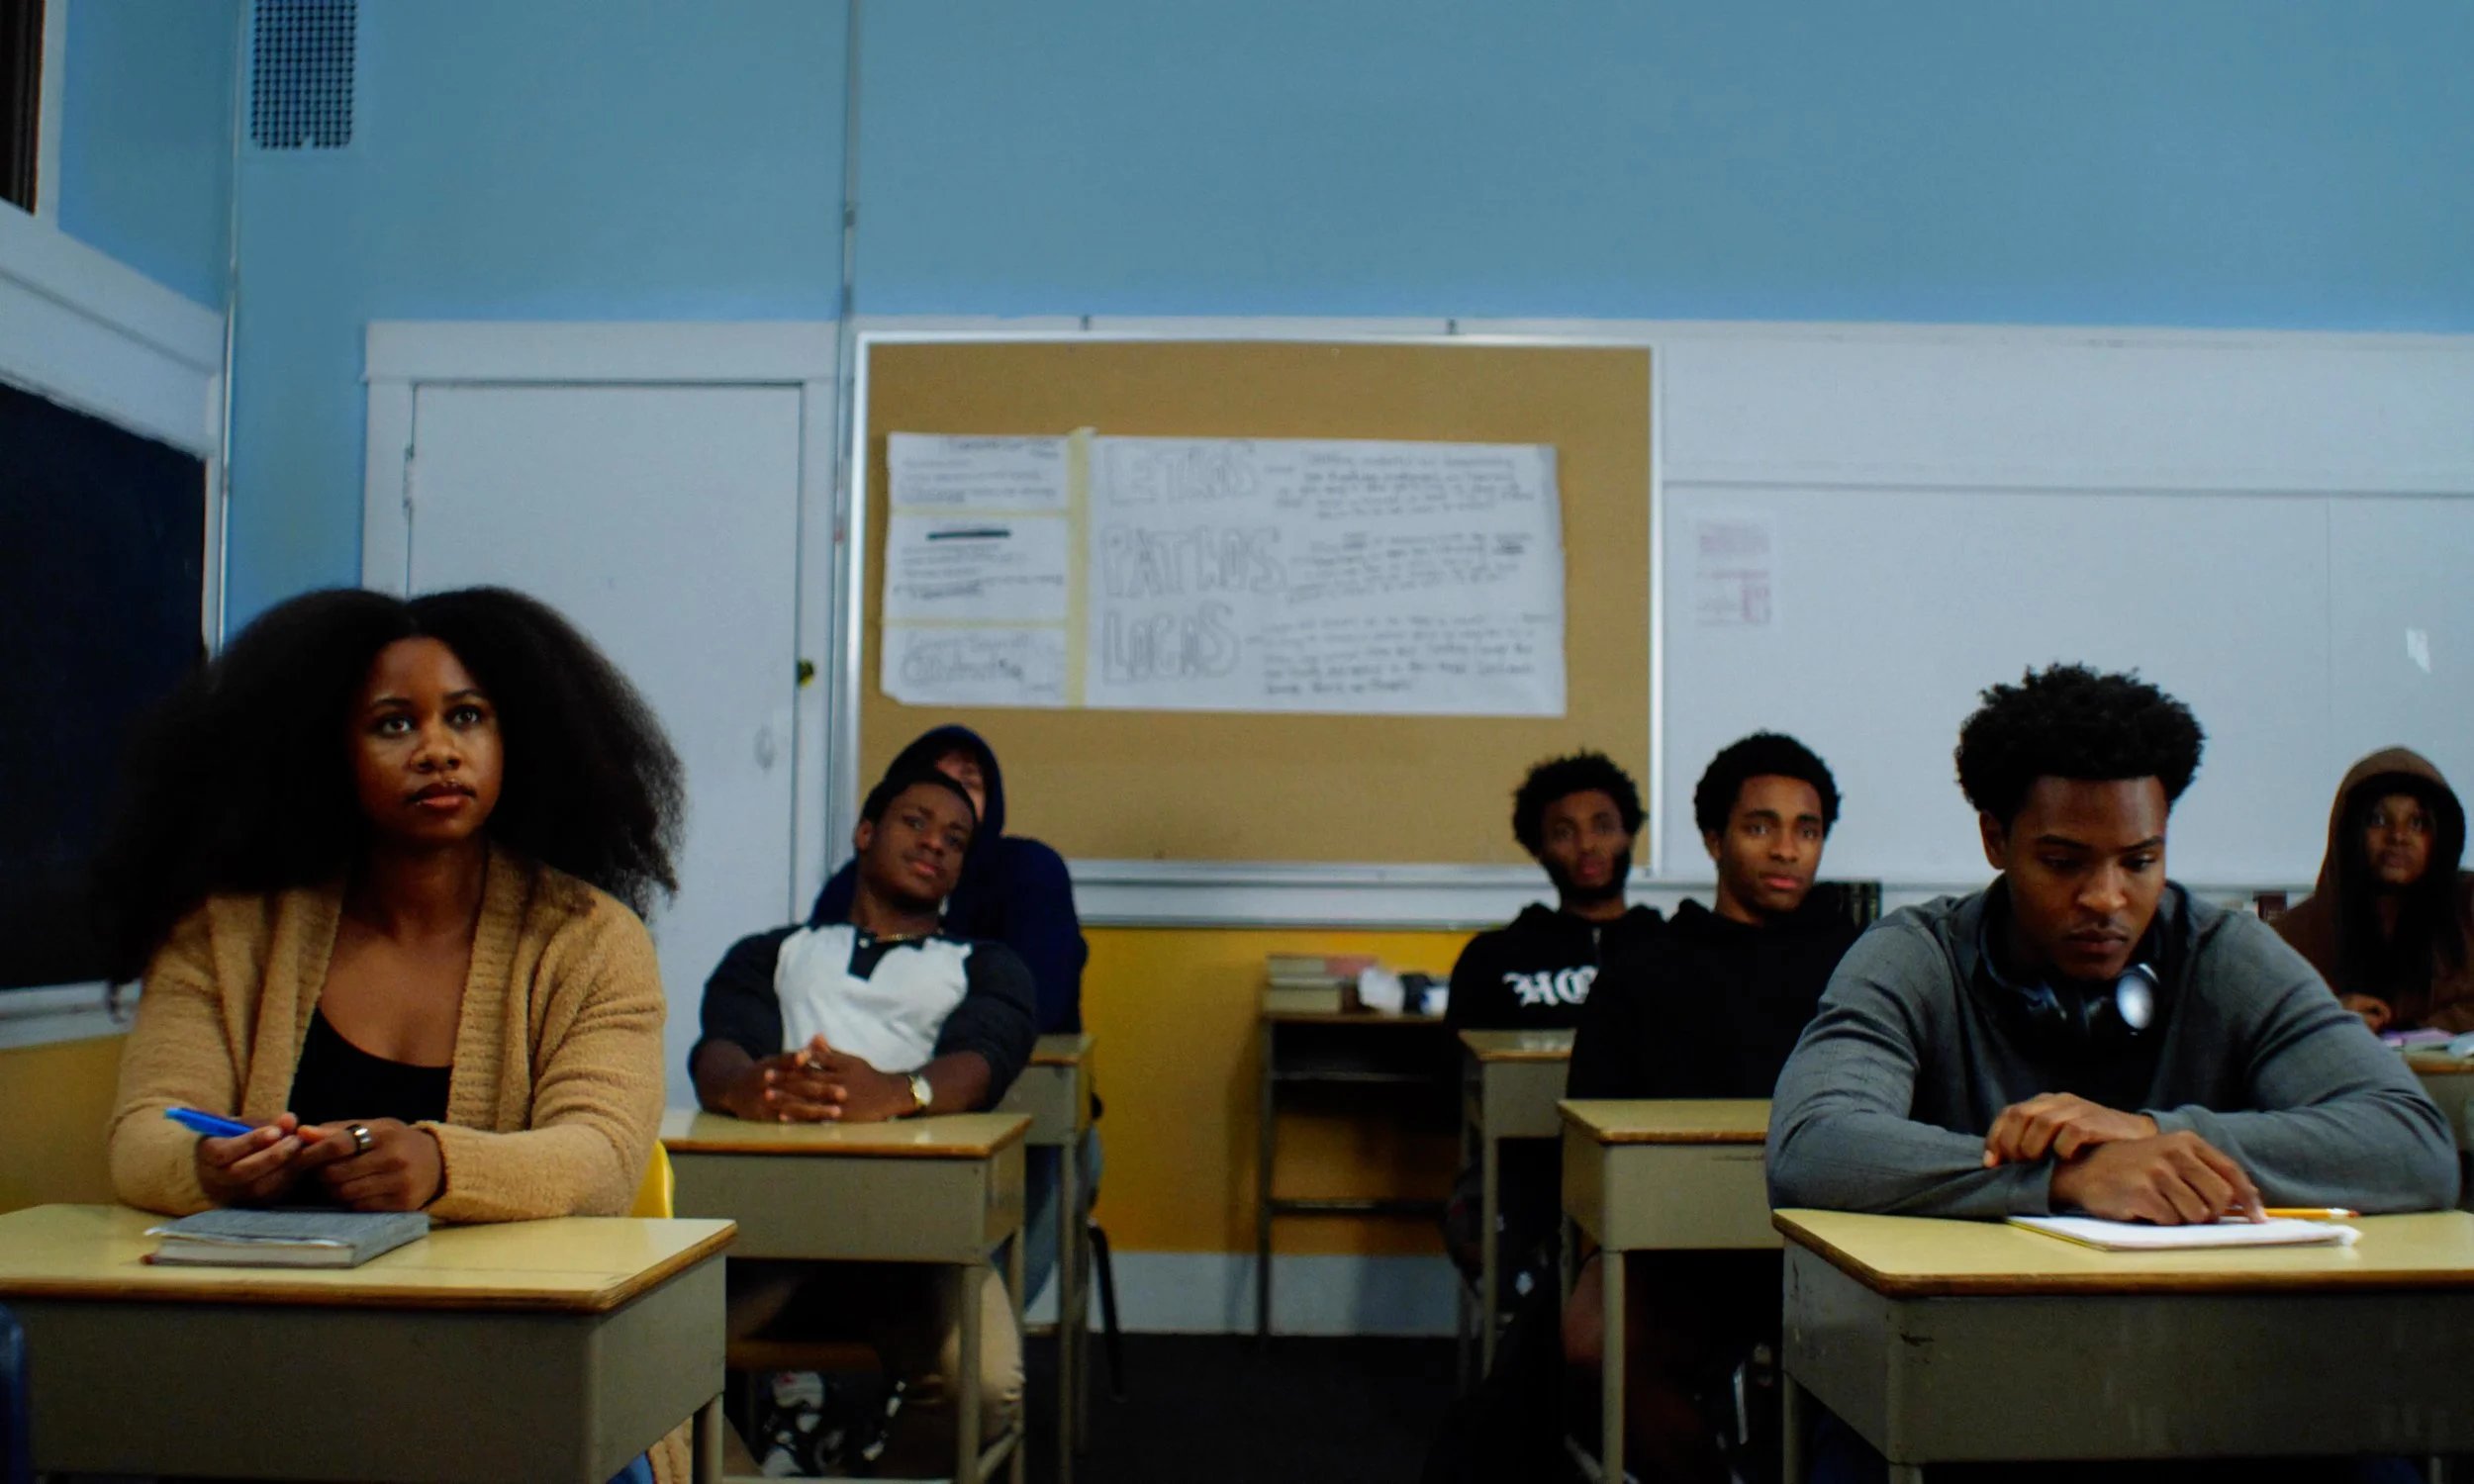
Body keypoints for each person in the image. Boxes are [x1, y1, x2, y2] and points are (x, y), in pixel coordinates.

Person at [1768, 664, 2455, 1484]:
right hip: (1976, 1371)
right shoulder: (1913, 958)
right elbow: (1814, 1142)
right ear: (1995, 839)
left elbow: (2414, 1144)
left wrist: (2154, 1132)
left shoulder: (2225, 953)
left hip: (2216, 1379)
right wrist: (2067, 1176)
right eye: (2063, 861)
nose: (2107, 898)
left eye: (2139, 860)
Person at [94, 586, 684, 1484]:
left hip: (513, 1360)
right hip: (267, 1357)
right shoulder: (226, 934)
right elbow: (144, 1130)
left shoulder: (589, 939)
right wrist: (211, 1170)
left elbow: (600, 1157)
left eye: (469, 717)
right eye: (394, 724)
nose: (439, 749)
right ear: (328, 750)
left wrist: (440, 1167)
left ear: (516, 737)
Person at [696, 766, 1037, 1476]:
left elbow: (987, 1054)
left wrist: (899, 1091)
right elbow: (719, 1044)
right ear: (865, 833)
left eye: (955, 839)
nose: (934, 844)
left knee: (986, 1385)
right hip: (766, 1235)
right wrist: (744, 1088)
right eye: (915, 822)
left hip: (915, 1244)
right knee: (635, 1366)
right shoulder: (774, 952)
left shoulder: (984, 963)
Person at [1560, 732, 1860, 1484]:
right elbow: (1593, 1129)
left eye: (1808, 829)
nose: (1788, 850)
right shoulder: (1648, 968)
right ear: (1713, 839)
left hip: (1829, 1240)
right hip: (1681, 1249)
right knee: (1595, 1344)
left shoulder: (1863, 965)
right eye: (1761, 827)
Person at [809, 724, 1094, 1304]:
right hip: (876, 1107)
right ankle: (822, 1363)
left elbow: (1042, 997)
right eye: (931, 789)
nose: (940, 823)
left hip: (1023, 1104)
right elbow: (821, 993)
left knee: (1057, 1169)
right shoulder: (857, 880)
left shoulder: (1028, 871)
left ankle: (965, 1358)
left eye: (970, 784)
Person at [1442, 752, 1662, 1306]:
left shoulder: (1672, 951)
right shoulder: (1494, 957)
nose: (1587, 846)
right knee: (1483, 1227)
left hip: (1647, 1165)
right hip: (1529, 1169)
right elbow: (1459, 1081)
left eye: (1603, 827)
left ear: (1631, 834)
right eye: (1564, 833)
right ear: (1538, 849)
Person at [2276, 747, 2474, 1035]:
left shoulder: (2468, 907)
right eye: (2378, 820)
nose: (2398, 837)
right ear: (2350, 831)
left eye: (2417, 823)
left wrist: (2412, 1031)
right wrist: (2325, 1015)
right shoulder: (2291, 936)